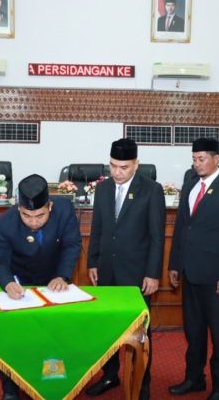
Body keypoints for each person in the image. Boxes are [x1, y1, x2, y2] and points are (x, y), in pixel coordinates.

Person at [86, 137, 166, 399]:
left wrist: (153, 273)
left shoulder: (151, 190)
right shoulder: (104, 188)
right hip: (106, 271)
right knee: (107, 328)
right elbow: (97, 229)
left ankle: (143, 382)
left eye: (124, 167)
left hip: (137, 274)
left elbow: (157, 236)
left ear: (136, 164)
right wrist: (93, 262)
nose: (117, 173)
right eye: (113, 166)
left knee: (140, 331)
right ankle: (110, 376)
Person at [0, 174, 82, 400]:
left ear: (50, 206)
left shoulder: (64, 211)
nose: (33, 221)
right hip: (20, 284)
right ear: (18, 208)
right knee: (13, 337)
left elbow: (72, 245)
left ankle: (52, 384)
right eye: (26, 216)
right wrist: (8, 282)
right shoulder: (5, 222)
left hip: (54, 282)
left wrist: (62, 275)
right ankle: (10, 389)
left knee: (54, 335)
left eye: (40, 215)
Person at [168, 137, 219, 400]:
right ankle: (194, 378)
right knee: (194, 331)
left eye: (202, 158)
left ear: (216, 159)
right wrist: (174, 265)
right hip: (190, 273)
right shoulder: (189, 185)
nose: (197, 163)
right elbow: (181, 229)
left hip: (216, 278)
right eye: (194, 158)